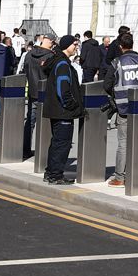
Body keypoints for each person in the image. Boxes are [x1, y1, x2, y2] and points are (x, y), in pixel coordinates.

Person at [41, 35, 84, 184]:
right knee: (62, 144)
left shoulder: (58, 61)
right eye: (74, 44)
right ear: (66, 45)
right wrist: (71, 105)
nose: (76, 47)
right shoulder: (63, 64)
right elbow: (63, 87)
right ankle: (56, 175)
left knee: (57, 142)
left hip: (57, 110)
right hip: (63, 111)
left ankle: (51, 172)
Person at [103, 34, 138, 187]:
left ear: (120, 46)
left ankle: (120, 177)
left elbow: (107, 84)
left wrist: (115, 94)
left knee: (123, 142)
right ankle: (137, 175)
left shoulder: (117, 62)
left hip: (123, 107)